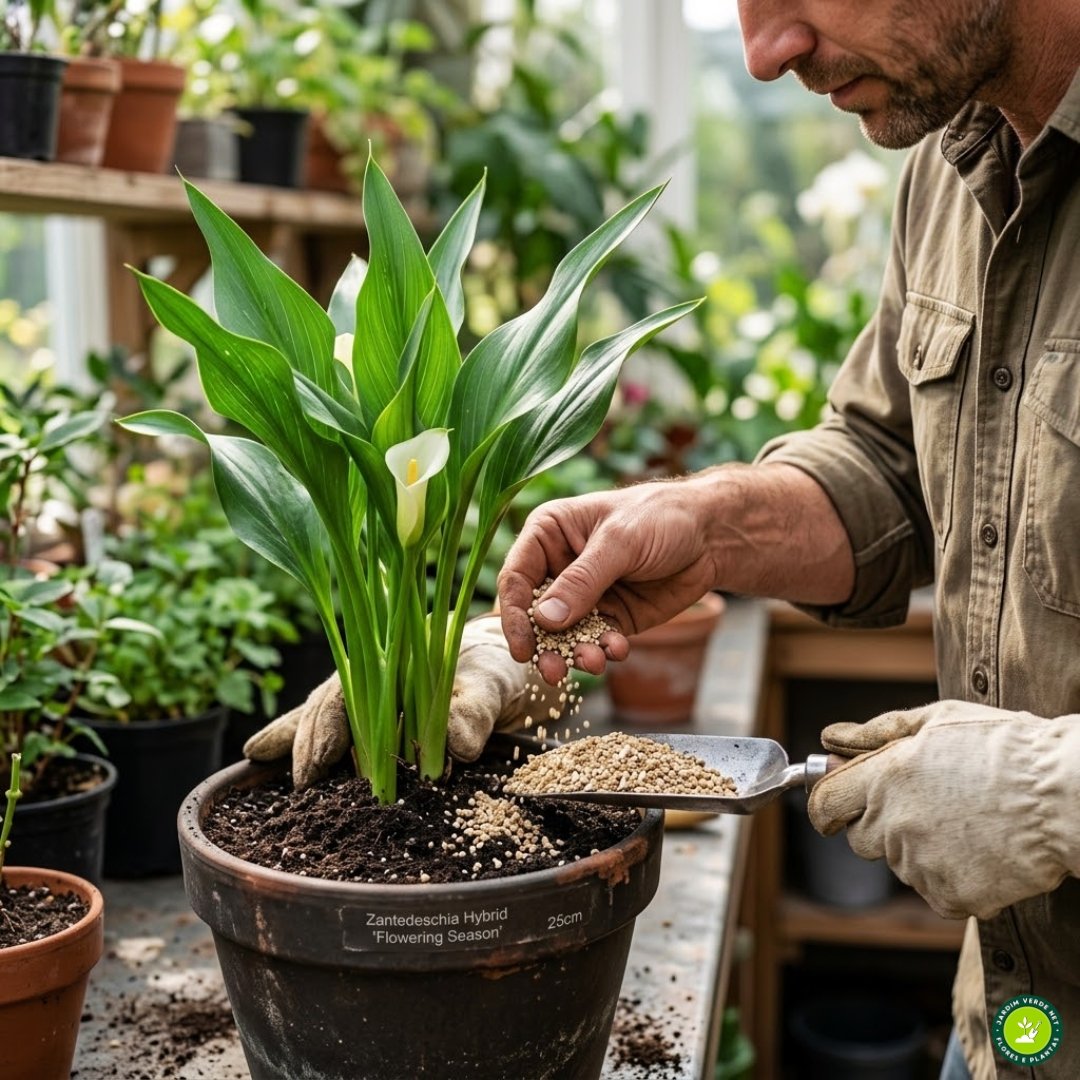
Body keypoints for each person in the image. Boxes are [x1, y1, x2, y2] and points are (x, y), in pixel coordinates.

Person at [249, 2, 1080, 1076]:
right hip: (1017, 1022)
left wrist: (1059, 790)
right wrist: (701, 524)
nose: (765, 52)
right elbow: (889, 469)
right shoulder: (958, 164)